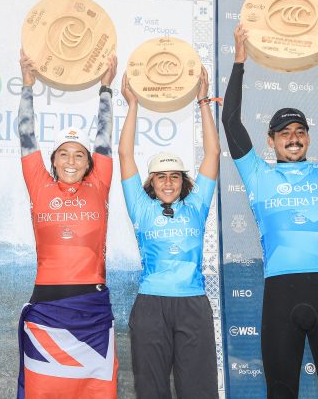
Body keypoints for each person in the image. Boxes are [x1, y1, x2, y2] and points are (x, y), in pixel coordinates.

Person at [221, 24, 318, 399]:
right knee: (281, 391)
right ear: (270, 140)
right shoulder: (257, 175)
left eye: (300, 129)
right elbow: (231, 121)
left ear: (308, 136)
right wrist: (240, 60)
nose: (293, 136)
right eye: (284, 132)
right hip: (279, 293)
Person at [15, 50, 118, 398]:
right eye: (64, 153)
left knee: (95, 393)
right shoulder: (39, 184)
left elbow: (104, 136)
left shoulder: (99, 183)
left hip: (91, 310)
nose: (72, 161)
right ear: (53, 160)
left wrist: (106, 88)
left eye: (79, 154)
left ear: (90, 162)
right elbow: (26, 135)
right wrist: (27, 86)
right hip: (47, 308)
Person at [118, 67, 220, 399]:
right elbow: (125, 154)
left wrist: (203, 101)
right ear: (150, 183)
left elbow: (213, 154)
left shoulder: (198, 204)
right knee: (151, 389)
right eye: (160, 177)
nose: (167, 182)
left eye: (174, 176)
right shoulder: (141, 207)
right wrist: (132, 104)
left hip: (192, 304)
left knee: (198, 389)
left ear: (184, 182)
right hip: (151, 305)